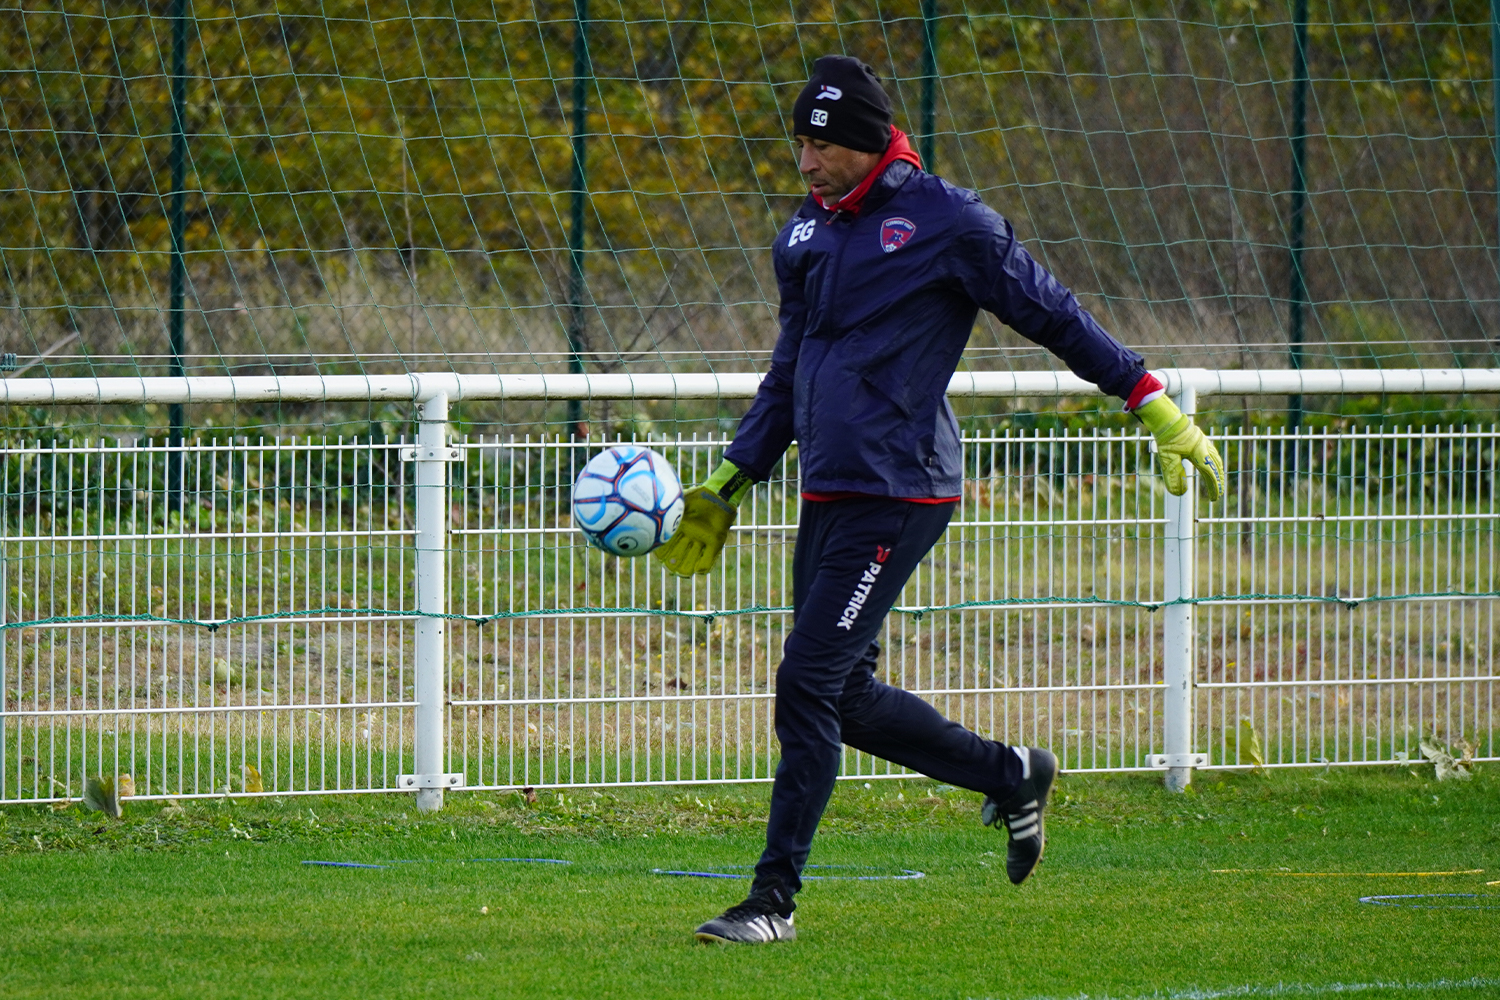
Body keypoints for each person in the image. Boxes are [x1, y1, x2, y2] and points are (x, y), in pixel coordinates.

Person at [653, 55, 1225, 945]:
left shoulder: (950, 223)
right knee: (841, 693)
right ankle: (1010, 774)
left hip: (902, 490)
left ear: (867, 143)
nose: (803, 162)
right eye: (797, 143)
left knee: (806, 680)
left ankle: (771, 904)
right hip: (830, 486)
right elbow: (787, 370)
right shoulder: (806, 234)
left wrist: (1146, 398)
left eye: (819, 145)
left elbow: (1053, 312)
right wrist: (735, 475)